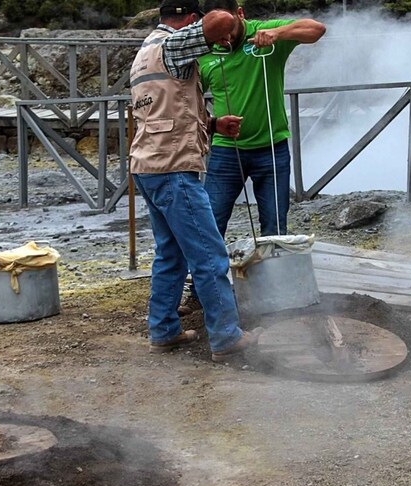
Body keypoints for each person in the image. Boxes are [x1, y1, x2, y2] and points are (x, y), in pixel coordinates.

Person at [129, 0, 261, 361]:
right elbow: (218, 21)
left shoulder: (146, 50)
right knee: (208, 254)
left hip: (148, 166)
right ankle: (226, 337)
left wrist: (214, 124)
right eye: (197, 23)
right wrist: (234, 22)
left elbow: (166, 107)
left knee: (171, 255)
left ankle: (164, 330)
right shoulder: (173, 44)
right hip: (173, 169)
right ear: (189, 19)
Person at [199, 0, 326, 238]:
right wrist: (213, 123)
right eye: (215, 34)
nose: (222, 39)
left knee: (275, 226)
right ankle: (208, 275)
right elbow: (188, 101)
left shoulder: (264, 33)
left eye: (227, 31)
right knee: (211, 224)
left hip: (271, 148)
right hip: (227, 150)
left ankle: (273, 274)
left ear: (240, 13)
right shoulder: (205, 53)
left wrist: (277, 33)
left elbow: (316, 29)